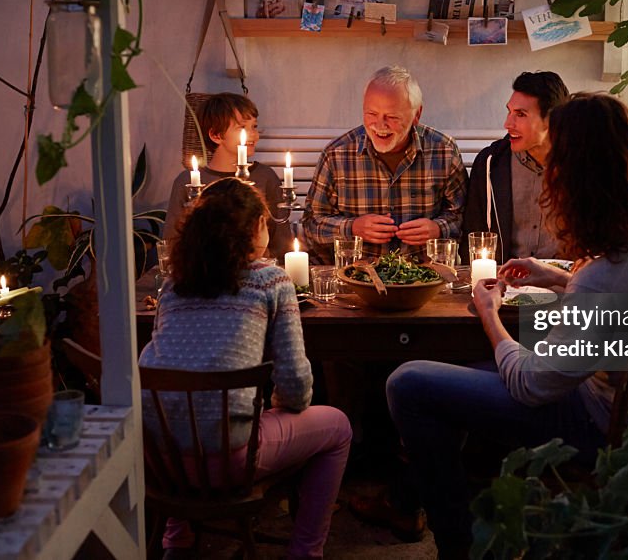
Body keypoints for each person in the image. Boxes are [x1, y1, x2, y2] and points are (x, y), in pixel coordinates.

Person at [386, 93, 628, 557]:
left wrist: (490, 315)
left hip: (604, 426)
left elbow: (532, 386)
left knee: (408, 382)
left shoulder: (602, 279)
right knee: (461, 370)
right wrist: (558, 277)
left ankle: (459, 544)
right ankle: (418, 499)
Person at [142, 177, 351, 559]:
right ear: (256, 227)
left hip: (160, 465)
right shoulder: (270, 281)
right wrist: (277, 401)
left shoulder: (172, 285)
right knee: (338, 426)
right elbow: (297, 388)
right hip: (228, 463)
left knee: (181, 410)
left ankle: (178, 540)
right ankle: (306, 551)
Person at [302, 65, 468, 263]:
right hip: (357, 277)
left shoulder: (444, 151)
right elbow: (311, 224)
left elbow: (463, 215)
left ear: (416, 115)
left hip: (426, 278)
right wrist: (352, 228)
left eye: (392, 117)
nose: (380, 125)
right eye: (371, 114)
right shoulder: (336, 154)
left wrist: (438, 228)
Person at [162, 92, 293, 257]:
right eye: (242, 127)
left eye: (254, 126)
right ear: (216, 135)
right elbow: (172, 243)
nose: (254, 135)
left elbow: (282, 242)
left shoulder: (265, 177)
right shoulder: (187, 182)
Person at [462, 71, 570, 262]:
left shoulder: (584, 167)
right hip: (507, 282)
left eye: (520, 114)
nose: (507, 123)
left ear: (552, 119)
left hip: (566, 284)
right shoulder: (490, 164)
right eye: (509, 111)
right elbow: (472, 235)